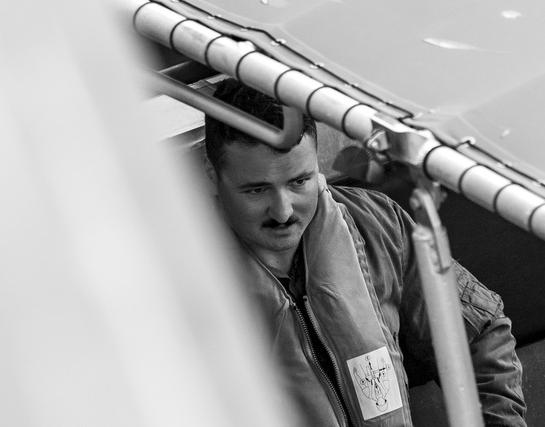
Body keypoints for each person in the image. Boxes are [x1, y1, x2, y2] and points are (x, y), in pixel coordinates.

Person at [203, 79, 526, 426]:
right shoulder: (179, 272)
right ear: (213, 178)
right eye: (256, 190)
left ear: (317, 164)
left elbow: (480, 333)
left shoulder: (378, 224)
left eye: (299, 182)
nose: (283, 211)